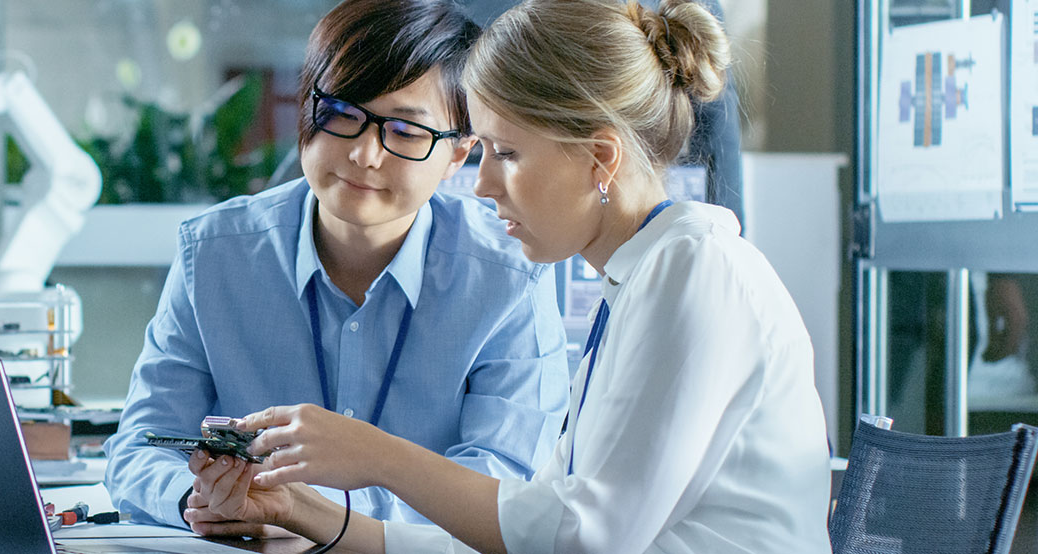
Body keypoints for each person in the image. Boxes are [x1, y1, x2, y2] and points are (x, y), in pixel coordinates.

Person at [183, 0, 833, 552]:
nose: (484, 184)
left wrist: (376, 454)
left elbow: (583, 537)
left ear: (599, 159)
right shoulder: (640, 279)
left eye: (508, 153)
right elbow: (530, 523)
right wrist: (301, 511)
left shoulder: (695, 273)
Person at [102, 0, 570, 531]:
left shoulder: (509, 275)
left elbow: (505, 477)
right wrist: (201, 497)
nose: (364, 155)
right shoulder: (213, 253)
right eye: (343, 113)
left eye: (406, 132)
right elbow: (140, 445)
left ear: (458, 155)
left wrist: (317, 516)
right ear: (307, 105)